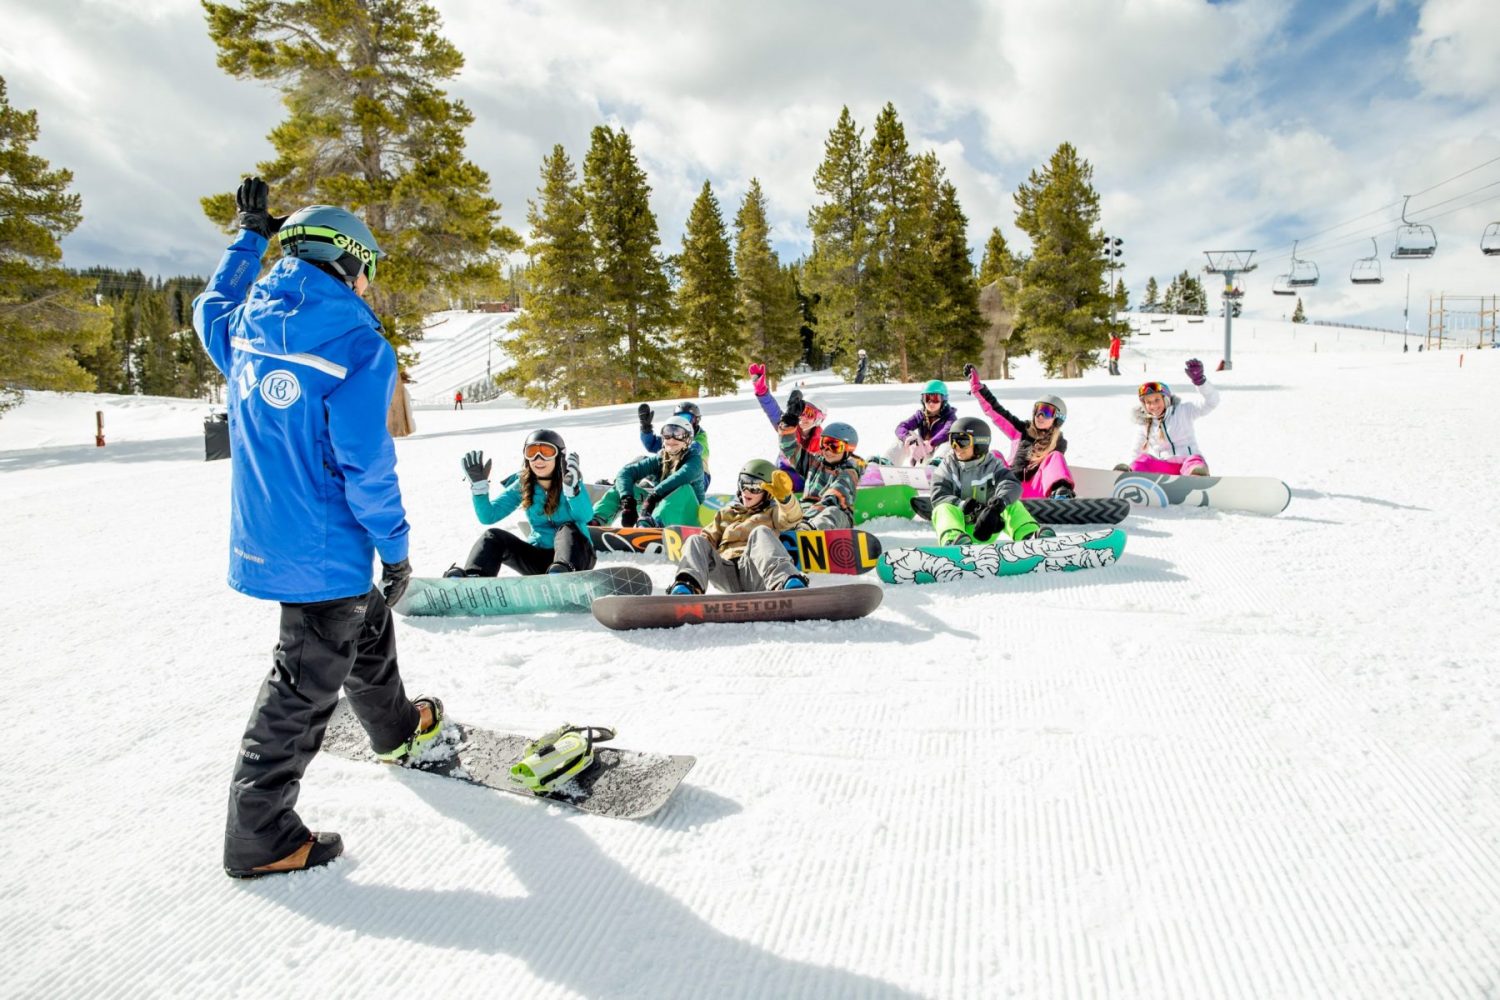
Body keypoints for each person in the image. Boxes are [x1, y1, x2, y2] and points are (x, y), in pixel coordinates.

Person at [194, 177, 442, 879]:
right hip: (323, 546)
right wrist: (395, 549)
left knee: (363, 624)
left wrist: (248, 238)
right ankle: (260, 833)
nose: (367, 285)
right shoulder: (358, 344)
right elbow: (365, 463)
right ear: (347, 261)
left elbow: (208, 305)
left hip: (265, 533)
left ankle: (394, 728)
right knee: (303, 684)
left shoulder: (246, 327)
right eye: (368, 269)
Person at [445, 429, 597, 577]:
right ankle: (474, 578)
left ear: (559, 456)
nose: (538, 459)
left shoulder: (571, 481)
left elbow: (585, 516)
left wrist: (573, 491)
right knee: (493, 536)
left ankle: (562, 573)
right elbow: (488, 516)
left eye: (546, 452)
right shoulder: (524, 484)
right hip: (540, 559)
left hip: (577, 557)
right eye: (532, 452)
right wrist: (479, 490)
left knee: (567, 528)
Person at [667, 459, 809, 595]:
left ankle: (785, 581)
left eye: (755, 487)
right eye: (744, 484)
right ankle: (688, 585)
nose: (746, 492)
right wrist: (694, 550)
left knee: (760, 531)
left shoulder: (773, 512)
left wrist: (785, 500)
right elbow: (706, 540)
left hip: (755, 570)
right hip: (725, 573)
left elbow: (792, 518)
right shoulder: (726, 514)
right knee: (695, 540)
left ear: (768, 492)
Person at [929, 416, 1051, 545]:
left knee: (1012, 504)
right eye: (952, 440)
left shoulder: (993, 465)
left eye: (962, 441)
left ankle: (1030, 536)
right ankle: (952, 541)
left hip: (988, 525)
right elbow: (939, 495)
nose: (956, 447)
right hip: (962, 529)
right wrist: (964, 506)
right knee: (943, 508)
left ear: (979, 443)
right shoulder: (948, 465)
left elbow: (1011, 484)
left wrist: (997, 507)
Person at [965, 364, 1076, 498]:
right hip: (1008, 488)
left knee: (1055, 456)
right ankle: (980, 493)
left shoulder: (1058, 442)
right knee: (994, 455)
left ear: (1058, 418)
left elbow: (1051, 468)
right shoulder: (1021, 430)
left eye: (1046, 412)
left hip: (1036, 491)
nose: (1040, 415)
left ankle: (1061, 494)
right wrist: (978, 388)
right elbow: (996, 411)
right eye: (1038, 410)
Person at [590, 415, 706, 527]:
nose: (671, 438)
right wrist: (628, 501)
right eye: (667, 433)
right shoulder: (660, 459)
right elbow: (625, 473)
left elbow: (682, 476)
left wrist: (652, 497)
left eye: (678, 434)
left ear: (688, 439)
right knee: (619, 488)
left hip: (688, 515)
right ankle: (596, 521)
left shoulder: (694, 460)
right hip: (656, 507)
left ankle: (653, 525)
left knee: (683, 488)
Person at [1117, 358, 1219, 476]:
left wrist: (1200, 382)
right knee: (1144, 459)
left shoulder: (1183, 411)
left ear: (1166, 399)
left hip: (1188, 467)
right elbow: (1136, 451)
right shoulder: (1145, 424)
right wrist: (1132, 465)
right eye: (1148, 402)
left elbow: (1212, 402)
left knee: (1195, 460)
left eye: (1157, 400)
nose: (1153, 405)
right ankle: (1127, 477)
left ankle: (1197, 477)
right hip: (1165, 469)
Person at [779, 408, 863, 531]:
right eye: (824, 443)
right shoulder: (814, 463)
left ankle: (805, 533)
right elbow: (790, 449)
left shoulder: (849, 472)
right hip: (804, 515)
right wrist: (788, 426)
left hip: (834, 518)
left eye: (835, 446)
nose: (827, 450)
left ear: (848, 449)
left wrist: (804, 520)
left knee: (832, 512)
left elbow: (833, 499)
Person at [749, 362, 824, 489]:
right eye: (801, 411)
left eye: (810, 414)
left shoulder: (823, 441)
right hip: (782, 478)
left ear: (819, 418)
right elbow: (772, 410)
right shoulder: (789, 425)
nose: (803, 417)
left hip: (807, 482)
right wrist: (762, 391)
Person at [639, 399, 711, 487]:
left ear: (696, 420)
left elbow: (696, 448)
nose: (684, 422)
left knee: (680, 465)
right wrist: (646, 429)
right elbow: (652, 444)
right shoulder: (675, 435)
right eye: (680, 418)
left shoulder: (700, 437)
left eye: (687, 418)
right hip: (672, 474)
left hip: (699, 477)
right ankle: (637, 485)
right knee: (643, 460)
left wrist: (676, 448)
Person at [885, 379, 957, 465]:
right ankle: (887, 462)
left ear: (944, 400)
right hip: (921, 454)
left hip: (936, 453)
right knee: (902, 438)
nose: (931, 403)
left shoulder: (950, 417)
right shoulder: (920, 415)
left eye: (935, 399)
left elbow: (947, 430)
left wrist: (931, 444)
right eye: (927, 398)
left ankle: (937, 465)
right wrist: (909, 440)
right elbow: (901, 427)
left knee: (949, 441)